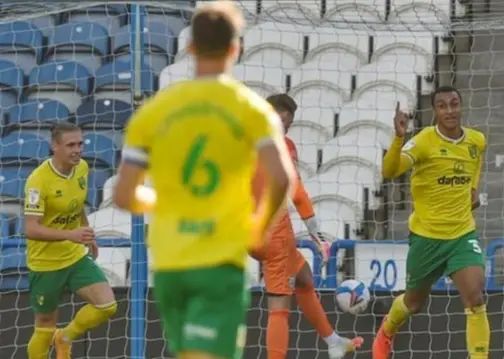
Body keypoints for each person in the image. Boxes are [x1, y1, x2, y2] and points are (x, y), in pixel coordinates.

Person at [113, 2, 297, 359]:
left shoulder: (153, 112)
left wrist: (163, 202)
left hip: (170, 265)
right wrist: (258, 226)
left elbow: (123, 194)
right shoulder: (252, 111)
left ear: (190, 47)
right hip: (218, 262)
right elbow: (281, 178)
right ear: (235, 48)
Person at [372, 86, 490, 359]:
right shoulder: (424, 141)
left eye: (454, 103)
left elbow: (475, 166)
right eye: (442, 106)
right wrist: (399, 138)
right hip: (426, 237)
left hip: (462, 234)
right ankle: (387, 330)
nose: (449, 110)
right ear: (435, 111)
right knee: (414, 303)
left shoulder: (476, 141)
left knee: (475, 297)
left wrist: (473, 189)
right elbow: (390, 171)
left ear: (461, 106)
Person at [251, 93, 363, 359]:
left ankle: (333, 341)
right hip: (272, 233)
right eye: (280, 121)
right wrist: (314, 227)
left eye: (288, 125)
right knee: (279, 305)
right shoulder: (280, 146)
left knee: (304, 279)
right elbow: (296, 190)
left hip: (255, 230)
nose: (284, 129)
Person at [24, 123, 117, 359]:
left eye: (80, 144)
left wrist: (86, 232)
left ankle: (65, 337)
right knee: (44, 326)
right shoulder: (38, 181)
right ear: (54, 146)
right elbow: (31, 229)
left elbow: (76, 207)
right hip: (45, 263)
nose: (77, 150)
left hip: (74, 256)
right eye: (70, 145)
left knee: (107, 305)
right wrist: (71, 234)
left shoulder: (82, 168)